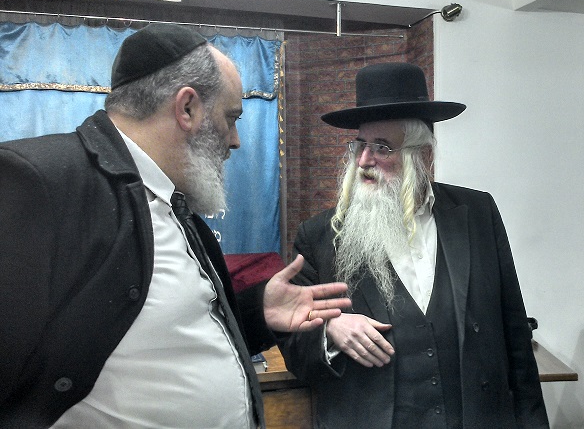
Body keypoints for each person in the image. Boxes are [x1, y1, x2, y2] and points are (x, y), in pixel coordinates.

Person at [0, 23, 351, 428]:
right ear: (187, 108)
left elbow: (170, 334)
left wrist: (258, 312)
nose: (235, 140)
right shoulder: (39, 181)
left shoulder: (172, 201)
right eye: (231, 118)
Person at [279, 62, 549, 428]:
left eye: (382, 147)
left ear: (423, 154)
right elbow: (293, 344)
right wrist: (330, 332)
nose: (364, 161)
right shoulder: (319, 236)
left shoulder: (477, 213)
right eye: (360, 145)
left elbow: (514, 332)